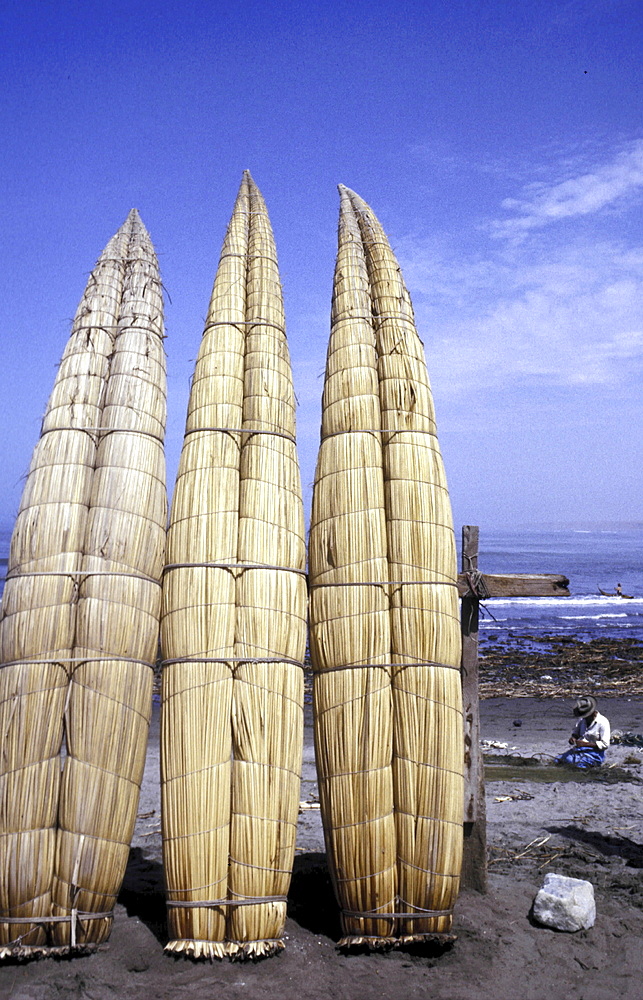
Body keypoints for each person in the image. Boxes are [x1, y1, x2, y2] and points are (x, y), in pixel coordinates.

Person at [556, 695, 610, 769]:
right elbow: (576, 733)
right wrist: (573, 738)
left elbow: (605, 744)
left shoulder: (603, 722)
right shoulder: (582, 719)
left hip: (594, 754)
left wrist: (586, 744)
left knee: (577, 765)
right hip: (579, 750)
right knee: (557, 760)